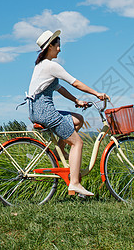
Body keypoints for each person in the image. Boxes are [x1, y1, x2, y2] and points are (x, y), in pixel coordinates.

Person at [26, 29, 109, 197]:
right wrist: (97, 94)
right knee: (77, 143)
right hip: (45, 111)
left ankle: (59, 153)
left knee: (78, 119)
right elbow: (75, 83)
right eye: (58, 46)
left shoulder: (42, 66)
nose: (60, 49)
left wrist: (76, 101)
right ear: (50, 46)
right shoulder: (51, 65)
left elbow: (59, 87)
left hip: (37, 110)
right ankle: (75, 183)